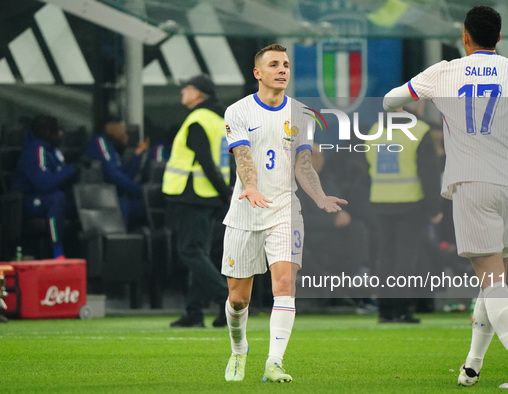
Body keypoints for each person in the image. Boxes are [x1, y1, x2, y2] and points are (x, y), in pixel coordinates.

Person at [382, 5, 508, 389]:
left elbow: (391, 100)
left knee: (490, 279)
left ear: (465, 37)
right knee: (493, 280)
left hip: (473, 184)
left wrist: (424, 99)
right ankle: (472, 366)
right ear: (500, 38)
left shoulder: (443, 71)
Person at [221, 43, 347, 383]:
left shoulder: (302, 113)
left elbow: (303, 164)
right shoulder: (238, 111)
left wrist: (319, 197)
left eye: (287, 65)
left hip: (285, 210)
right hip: (246, 210)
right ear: (257, 73)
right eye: (274, 64)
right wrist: (251, 187)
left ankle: (273, 363)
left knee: (285, 284)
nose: (282, 70)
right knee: (237, 299)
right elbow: (243, 156)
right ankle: (239, 349)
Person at [163, 74, 232, 328]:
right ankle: (194, 312)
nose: (183, 91)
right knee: (199, 252)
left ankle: (226, 299)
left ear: (199, 93)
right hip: (210, 195)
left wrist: (225, 192)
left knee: (189, 251)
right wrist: (226, 191)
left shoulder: (197, 120)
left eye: (187, 88)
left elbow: (204, 161)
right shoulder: (221, 119)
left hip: (192, 193)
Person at [366, 116, 442, 323]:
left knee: (386, 257)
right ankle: (401, 310)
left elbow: (367, 164)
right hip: (411, 202)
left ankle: (385, 310)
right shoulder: (419, 131)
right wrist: (435, 205)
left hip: (380, 199)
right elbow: (429, 171)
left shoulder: (374, 130)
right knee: (405, 258)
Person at [11, 115, 76, 259]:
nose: (61, 134)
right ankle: (57, 252)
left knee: (75, 200)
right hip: (27, 201)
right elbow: (44, 184)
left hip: (43, 197)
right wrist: (72, 169)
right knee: (56, 198)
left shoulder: (54, 151)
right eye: (57, 130)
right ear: (47, 132)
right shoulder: (35, 150)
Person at [82, 118, 149, 229]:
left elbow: (126, 176)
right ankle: (118, 240)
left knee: (143, 205)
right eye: (122, 128)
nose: (125, 132)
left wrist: (137, 154)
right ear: (112, 128)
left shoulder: (112, 148)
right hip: (102, 197)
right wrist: (139, 190)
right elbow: (113, 175)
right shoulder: (100, 142)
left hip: (115, 195)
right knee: (125, 203)